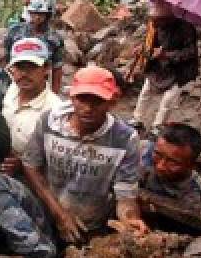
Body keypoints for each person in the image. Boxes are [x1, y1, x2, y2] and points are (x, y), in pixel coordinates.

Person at [10, 65, 147, 242]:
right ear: (71, 97)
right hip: (45, 214)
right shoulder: (49, 122)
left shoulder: (125, 139)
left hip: (91, 225)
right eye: (82, 99)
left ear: (113, 101)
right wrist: (60, 214)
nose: (88, 108)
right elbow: (31, 167)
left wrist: (130, 219)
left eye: (97, 101)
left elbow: (125, 195)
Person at [131, 0, 200, 132]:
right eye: (153, 20)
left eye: (158, 20)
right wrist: (143, 50)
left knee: (168, 100)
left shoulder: (186, 28)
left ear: (168, 19)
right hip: (159, 66)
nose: (155, 23)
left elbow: (191, 52)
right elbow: (151, 46)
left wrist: (167, 55)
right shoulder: (156, 26)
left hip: (179, 70)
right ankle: (137, 119)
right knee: (145, 91)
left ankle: (158, 127)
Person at [138, 123, 201, 235]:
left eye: (173, 162)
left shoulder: (196, 199)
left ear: (192, 165)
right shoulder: (144, 149)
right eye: (158, 155)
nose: (160, 166)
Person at [2, 38, 64, 156]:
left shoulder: (55, 110)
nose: (24, 74)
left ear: (46, 68)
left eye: (31, 67)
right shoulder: (12, 90)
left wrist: (23, 164)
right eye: (20, 67)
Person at [6, 0, 65, 95]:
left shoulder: (54, 39)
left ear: (48, 15)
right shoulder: (16, 31)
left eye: (41, 14)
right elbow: (6, 58)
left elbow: (57, 69)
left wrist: (54, 94)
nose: (37, 17)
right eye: (34, 13)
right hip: (15, 83)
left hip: (39, 86)